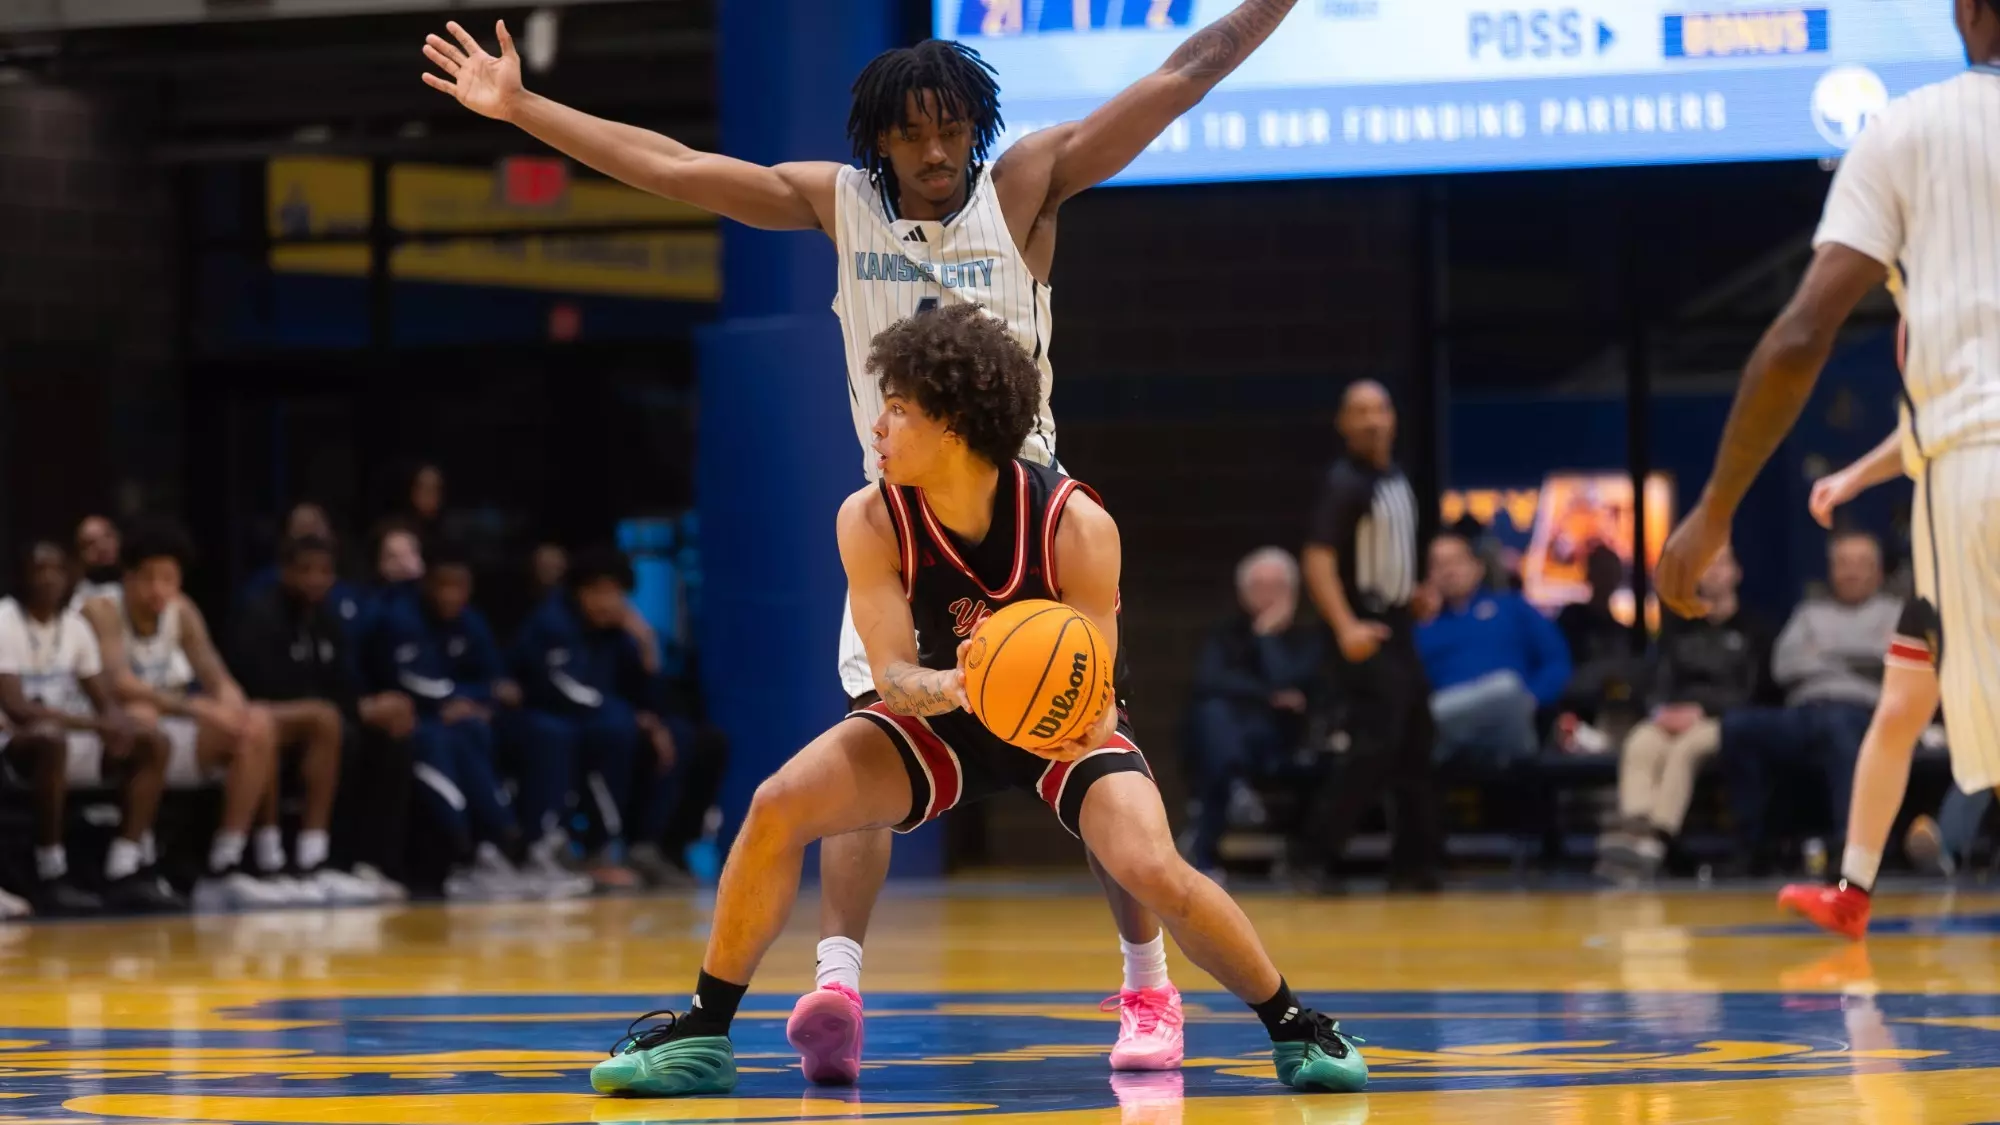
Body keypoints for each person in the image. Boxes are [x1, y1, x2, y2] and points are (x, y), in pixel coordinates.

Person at [421, 0, 1309, 1075]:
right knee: (862, 748)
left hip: (1027, 528)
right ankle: (834, 980)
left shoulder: (1022, 184)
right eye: (912, 132)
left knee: (1091, 755)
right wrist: (523, 110)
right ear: (878, 138)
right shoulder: (836, 205)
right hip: (906, 533)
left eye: (949, 129)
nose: (935, 153)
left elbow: (1183, 73)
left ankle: (1146, 985)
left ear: (973, 127)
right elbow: (668, 165)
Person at [588, 305, 1366, 1099]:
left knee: (1149, 863)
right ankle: (704, 1029)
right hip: (946, 708)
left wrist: (1067, 718)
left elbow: (1096, 677)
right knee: (776, 804)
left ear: (954, 423)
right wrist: (956, 686)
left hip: (1064, 716)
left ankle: (1294, 1022)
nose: (879, 427)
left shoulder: (1077, 524)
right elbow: (889, 669)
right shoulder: (870, 518)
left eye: (898, 409)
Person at [1653, 0, 2000, 929]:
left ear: (1965, 13)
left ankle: (1881, 871)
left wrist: (1718, 503)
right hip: (1953, 468)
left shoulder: (1912, 128)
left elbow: (1804, 328)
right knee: (1903, 702)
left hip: (1975, 480)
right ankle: (1855, 884)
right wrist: (1852, 479)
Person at [79, 521, 286, 910]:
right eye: (149, 578)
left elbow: (217, 676)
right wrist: (194, 706)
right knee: (141, 713)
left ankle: (227, 863)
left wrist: (232, 708)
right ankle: (136, 856)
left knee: (257, 722)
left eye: (169, 578)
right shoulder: (101, 608)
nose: (159, 589)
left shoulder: (182, 610)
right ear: (128, 575)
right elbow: (119, 684)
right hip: (110, 738)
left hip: (170, 735)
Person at [371, 541, 588, 899]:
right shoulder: (400, 618)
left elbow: (498, 682)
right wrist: (466, 698)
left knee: (549, 732)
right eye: (442, 585)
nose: (450, 595)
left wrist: (474, 699)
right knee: (456, 736)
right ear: (427, 584)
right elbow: (415, 682)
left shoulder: (472, 621)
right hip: (419, 718)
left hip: (470, 716)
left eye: (459, 586)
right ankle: (478, 850)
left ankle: (536, 847)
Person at [1299, 380, 1440, 892]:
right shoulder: (1345, 483)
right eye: (1359, 412)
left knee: (1415, 742)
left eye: (1379, 409)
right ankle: (1313, 857)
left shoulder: (1397, 478)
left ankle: (1415, 864)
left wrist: (1415, 593)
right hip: (1364, 627)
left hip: (1398, 624)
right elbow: (1318, 559)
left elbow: (1391, 553)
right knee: (1374, 747)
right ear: (1343, 424)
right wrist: (1346, 626)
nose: (1372, 420)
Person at [0, 540, 182, 914]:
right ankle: (50, 870)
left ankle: (125, 866)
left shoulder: (75, 627)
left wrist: (117, 725)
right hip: (15, 744)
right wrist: (95, 723)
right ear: (21, 577)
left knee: (152, 742)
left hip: (69, 739)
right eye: (40, 569)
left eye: (57, 570)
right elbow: (17, 708)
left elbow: (104, 702)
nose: (49, 579)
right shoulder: (5, 619)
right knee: (50, 739)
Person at [232, 534, 412, 904]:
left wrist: (374, 705)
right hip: (265, 722)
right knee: (333, 728)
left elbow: (341, 681)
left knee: (390, 740)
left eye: (324, 572)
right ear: (285, 573)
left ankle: (362, 862)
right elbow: (267, 686)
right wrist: (355, 709)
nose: (315, 579)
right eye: (306, 571)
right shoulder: (260, 614)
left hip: (322, 723)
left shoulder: (326, 619)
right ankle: (304, 859)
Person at [1716, 531, 1899, 870]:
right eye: (1843, 564)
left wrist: (1823, 655)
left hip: (1860, 715)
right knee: (1737, 726)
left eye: (1861, 564)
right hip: (1802, 713)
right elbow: (1784, 665)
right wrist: (1861, 659)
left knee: (1840, 728)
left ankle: (1853, 853)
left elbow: (1894, 664)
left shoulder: (1896, 614)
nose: (1851, 572)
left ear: (1878, 571)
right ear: (1830, 569)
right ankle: (1750, 847)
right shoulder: (1809, 613)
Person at [1598, 546, 1770, 882]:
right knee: (1641, 741)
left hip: (1723, 721)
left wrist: (1703, 710)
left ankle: (1657, 838)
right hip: (1673, 716)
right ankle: (1637, 827)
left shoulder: (1756, 629)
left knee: (1685, 749)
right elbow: (1657, 680)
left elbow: (1755, 692)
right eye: (1706, 565)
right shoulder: (1678, 628)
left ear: (1737, 573)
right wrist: (1661, 710)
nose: (1714, 572)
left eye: (1722, 564)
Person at [508, 547, 674, 889]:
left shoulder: (617, 632)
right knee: (605, 732)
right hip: (544, 716)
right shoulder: (552, 622)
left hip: (595, 719)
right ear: (579, 591)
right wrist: (629, 715)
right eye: (598, 591)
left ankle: (648, 846)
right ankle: (583, 850)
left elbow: (650, 698)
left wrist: (646, 647)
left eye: (615, 593)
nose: (607, 602)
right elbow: (560, 688)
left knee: (683, 738)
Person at [1183, 547, 1323, 874]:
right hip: (1229, 733)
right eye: (1258, 587)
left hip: (1283, 737)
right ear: (1242, 593)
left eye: (1277, 587)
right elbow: (1207, 680)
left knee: (1216, 727)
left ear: (1293, 592)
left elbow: (1296, 681)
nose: (1267, 595)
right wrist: (1268, 694)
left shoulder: (1309, 637)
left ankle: (1209, 842)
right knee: (1212, 713)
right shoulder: (1225, 634)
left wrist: (1266, 637)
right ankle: (1233, 787)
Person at [1417, 533, 1571, 765]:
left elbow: (1557, 661)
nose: (1448, 571)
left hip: (1510, 719)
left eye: (1456, 561)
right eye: (1438, 565)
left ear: (1477, 567)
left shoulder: (1512, 608)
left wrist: (1532, 698)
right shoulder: (1423, 628)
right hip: (1447, 725)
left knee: (1506, 687)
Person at [71, 515, 121, 610]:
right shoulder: (78, 603)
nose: (102, 546)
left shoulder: (140, 586)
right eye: (91, 543)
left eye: (107, 536)